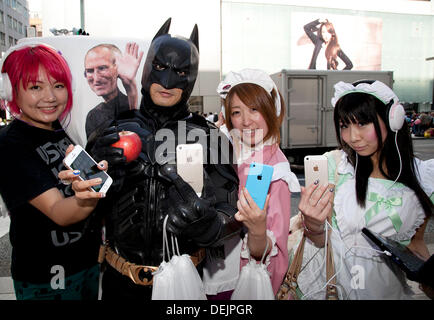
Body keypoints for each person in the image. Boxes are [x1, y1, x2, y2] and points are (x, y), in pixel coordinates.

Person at [86, 18, 241, 300]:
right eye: (160, 67)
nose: (168, 80)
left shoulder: (211, 137)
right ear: (147, 69)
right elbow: (81, 210)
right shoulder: (110, 129)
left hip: (184, 284)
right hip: (119, 282)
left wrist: (211, 225)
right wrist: (101, 180)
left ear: (191, 77)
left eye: (180, 71)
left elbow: (231, 210)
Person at [0, 43, 108, 300]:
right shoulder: (11, 144)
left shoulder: (65, 131)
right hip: (46, 277)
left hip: (86, 264)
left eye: (58, 85)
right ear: (12, 91)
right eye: (35, 87)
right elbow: (59, 212)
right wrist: (87, 196)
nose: (51, 97)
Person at [297, 80, 433, 299]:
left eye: (362, 124)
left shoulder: (423, 178)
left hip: (386, 291)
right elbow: (321, 242)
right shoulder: (335, 167)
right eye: (344, 125)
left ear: (393, 120)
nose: (352, 137)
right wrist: (313, 225)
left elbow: (415, 244)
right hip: (333, 288)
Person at [205, 68, 300, 298]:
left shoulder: (270, 168)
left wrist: (257, 230)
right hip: (207, 270)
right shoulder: (223, 151)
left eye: (254, 109)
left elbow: (271, 251)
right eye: (237, 112)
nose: (246, 121)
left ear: (271, 111)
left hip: (236, 283)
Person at [84, 43, 143, 138]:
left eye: (102, 68)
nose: (96, 78)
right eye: (90, 71)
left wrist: (130, 86)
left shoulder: (133, 105)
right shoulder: (93, 115)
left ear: (118, 69)